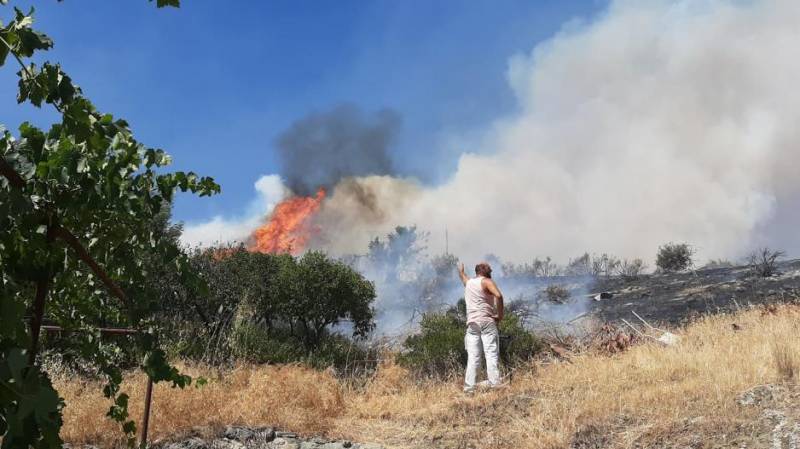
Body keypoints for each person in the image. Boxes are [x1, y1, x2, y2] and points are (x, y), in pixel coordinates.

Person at [457, 261, 505, 393]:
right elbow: (499, 296)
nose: (491, 270)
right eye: (489, 268)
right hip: (486, 322)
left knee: (473, 357)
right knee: (491, 354)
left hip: (472, 324)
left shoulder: (470, 283)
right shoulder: (486, 282)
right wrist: (500, 315)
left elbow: (464, 278)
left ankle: (469, 389)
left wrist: (461, 271)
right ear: (484, 271)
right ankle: (495, 384)